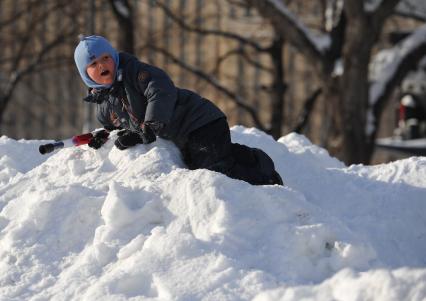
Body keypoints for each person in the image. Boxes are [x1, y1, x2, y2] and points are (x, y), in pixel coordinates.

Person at [74, 35, 283, 186]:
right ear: (86, 74)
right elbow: (113, 128)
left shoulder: (135, 73)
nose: (101, 65)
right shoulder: (103, 106)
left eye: (105, 58)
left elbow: (160, 91)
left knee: (214, 172)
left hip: (200, 121)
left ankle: (265, 175)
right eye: (93, 63)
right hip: (183, 135)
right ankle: (243, 157)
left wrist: (150, 126)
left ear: (113, 57)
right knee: (199, 163)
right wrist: (102, 138)